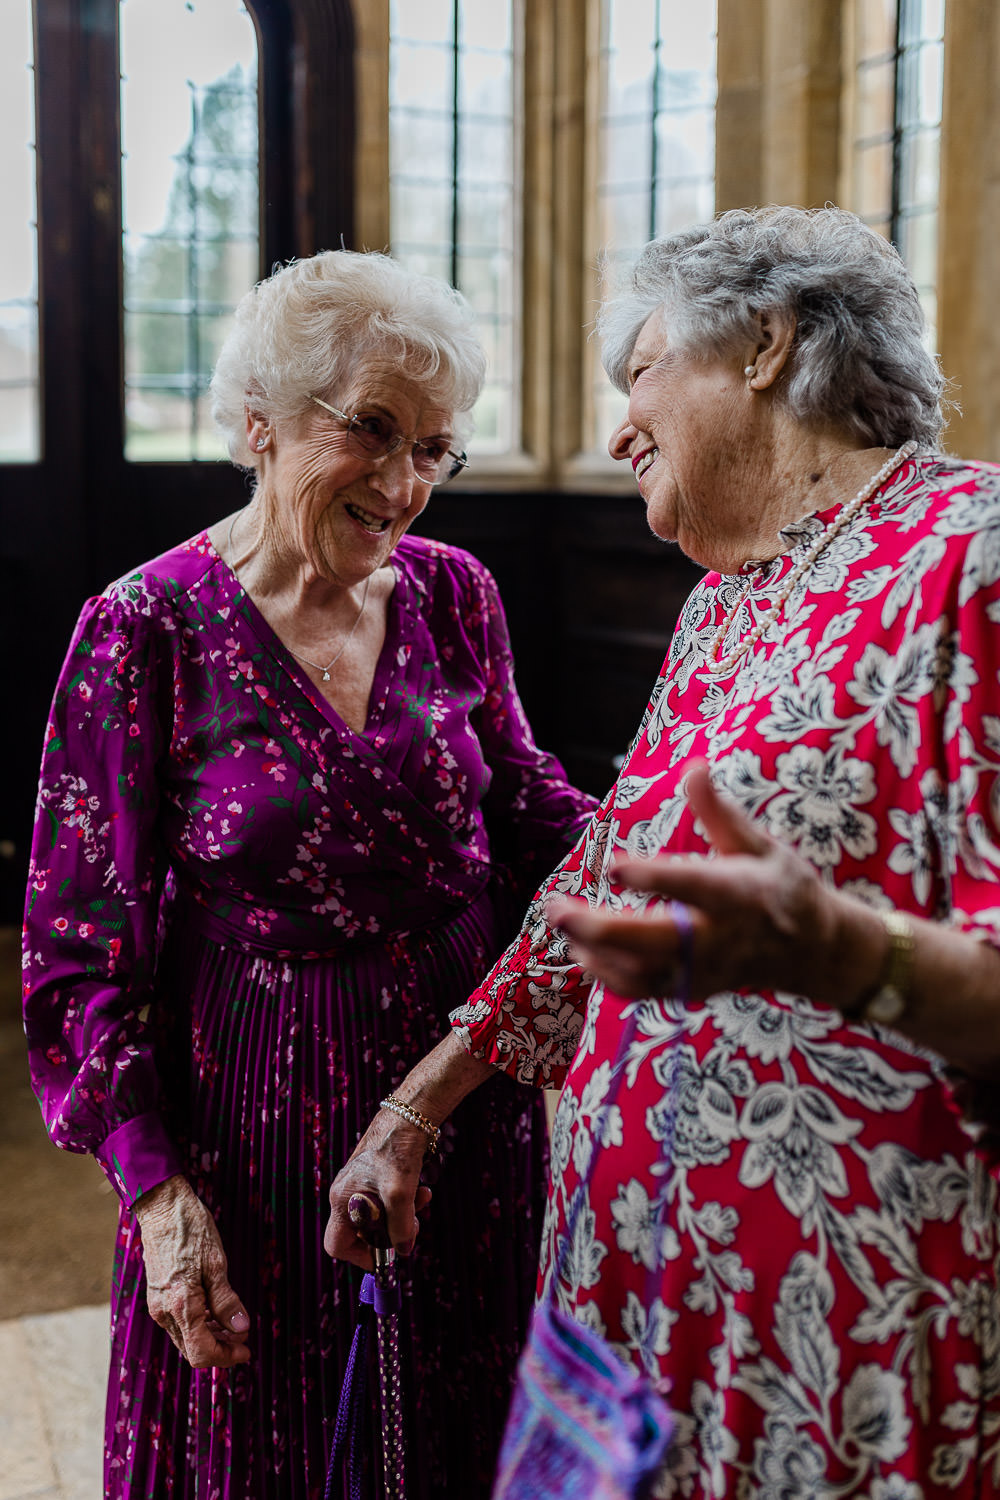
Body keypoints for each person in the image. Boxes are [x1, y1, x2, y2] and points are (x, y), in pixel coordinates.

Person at [326, 207, 1000, 1497]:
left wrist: (848, 958)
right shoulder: (722, 599)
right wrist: (419, 1107)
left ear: (764, 342)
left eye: (637, 373)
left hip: (848, 1300)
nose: (616, 428)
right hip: (637, 1274)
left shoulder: (966, 561)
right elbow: (599, 883)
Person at [22, 249, 596, 1499]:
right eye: (372, 430)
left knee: (453, 1414)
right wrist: (159, 1204)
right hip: (250, 1106)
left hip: (461, 1092)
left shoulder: (456, 595)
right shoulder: (143, 628)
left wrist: (671, 836)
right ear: (258, 424)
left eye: (434, 449)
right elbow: (77, 954)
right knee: (265, 1437)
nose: (401, 484)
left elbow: (528, 802)